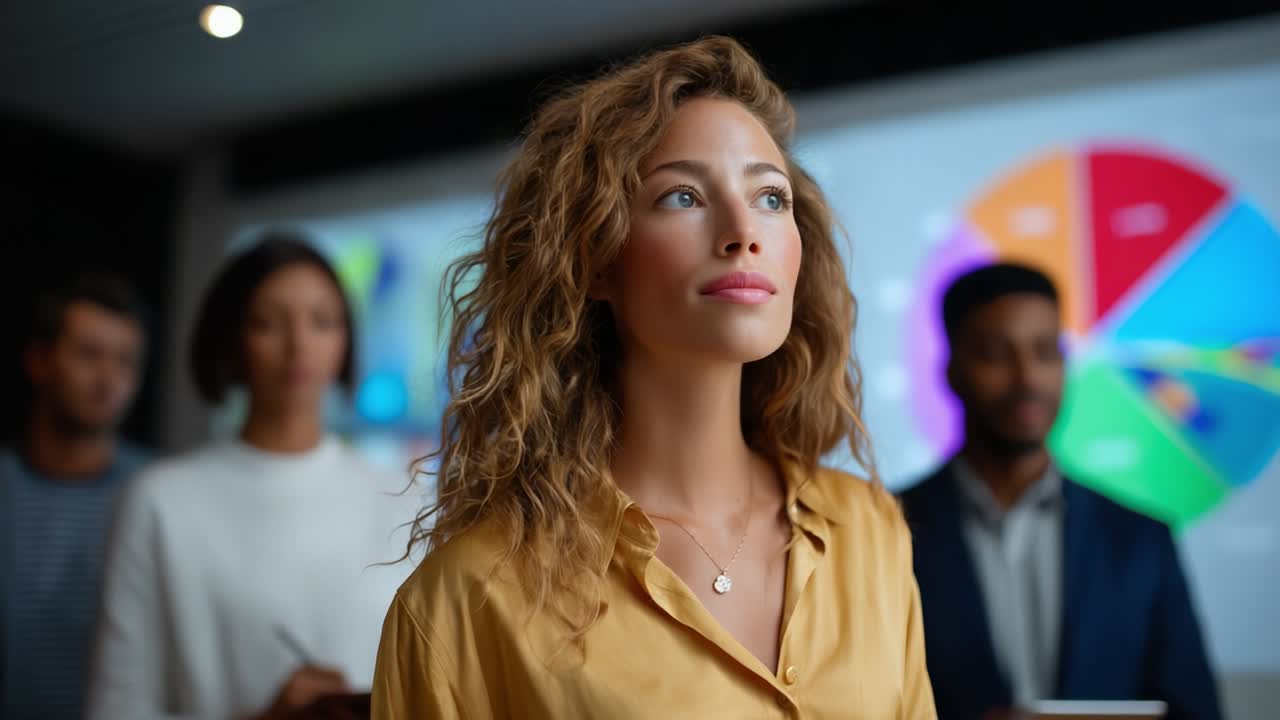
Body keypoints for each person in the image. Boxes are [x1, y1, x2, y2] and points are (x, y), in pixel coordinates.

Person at [372, 36, 935, 719]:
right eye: (683, 198)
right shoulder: (467, 597)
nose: (742, 233)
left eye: (769, 196)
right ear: (597, 260)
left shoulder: (869, 528)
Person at [87, 236, 418, 720]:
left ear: (346, 340)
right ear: (231, 339)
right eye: (268, 323)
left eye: (323, 321)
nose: (300, 344)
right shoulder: (159, 501)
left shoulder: (406, 496)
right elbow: (115, 707)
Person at [899, 262, 1223, 720]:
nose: (1028, 378)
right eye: (996, 353)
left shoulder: (1141, 541)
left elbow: (1197, 711)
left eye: (1046, 352)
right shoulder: (886, 528)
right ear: (951, 370)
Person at [0, 274, 149, 720]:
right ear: (38, 361)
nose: (108, 378)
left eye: (125, 361)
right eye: (89, 354)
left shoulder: (157, 491)